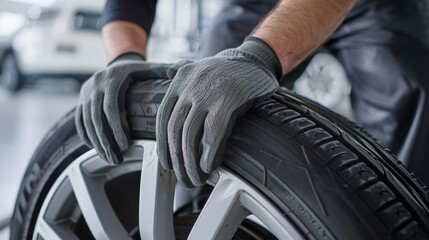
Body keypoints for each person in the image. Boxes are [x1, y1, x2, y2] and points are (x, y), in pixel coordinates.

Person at [75, 0, 429, 188]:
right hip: (255, 4)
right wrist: (124, 56)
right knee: (203, 108)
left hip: (378, 5)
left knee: (411, 91)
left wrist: (259, 55)